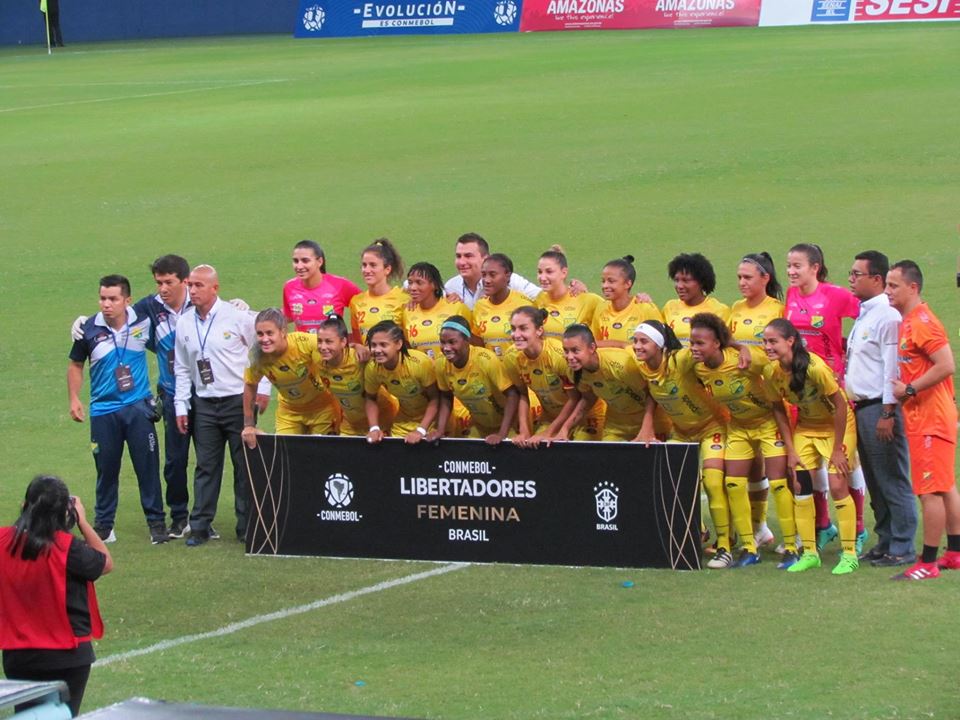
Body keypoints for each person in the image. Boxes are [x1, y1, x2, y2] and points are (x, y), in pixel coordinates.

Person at [632, 320, 746, 568]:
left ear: (660, 345)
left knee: (714, 483)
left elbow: (711, 347)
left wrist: (742, 348)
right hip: (681, 433)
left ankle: (724, 546)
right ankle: (699, 531)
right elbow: (651, 391)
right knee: (671, 481)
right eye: (635, 341)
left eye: (644, 341)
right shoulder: (642, 367)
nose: (637, 347)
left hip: (711, 428)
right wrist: (646, 426)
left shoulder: (680, 360)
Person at [67, 274, 167, 545]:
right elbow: (76, 364)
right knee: (106, 470)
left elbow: (180, 299)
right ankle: (104, 526)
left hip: (138, 409)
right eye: (102, 298)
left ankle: (157, 524)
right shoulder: (87, 328)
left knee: (147, 468)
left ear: (127, 300)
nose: (106, 304)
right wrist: (74, 398)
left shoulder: (143, 319)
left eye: (112, 299)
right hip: (103, 411)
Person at [1, 476, 112, 717]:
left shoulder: (3, 542)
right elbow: (105, 563)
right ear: (65, 512)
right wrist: (83, 522)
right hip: (68, 654)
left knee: (30, 716)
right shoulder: (67, 546)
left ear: (24, 505)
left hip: (19, 655)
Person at [174, 265, 268, 547]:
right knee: (206, 466)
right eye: (191, 285)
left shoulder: (236, 317)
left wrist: (262, 389)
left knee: (244, 465)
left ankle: (246, 525)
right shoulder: (185, 322)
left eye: (199, 286)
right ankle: (200, 526)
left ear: (215, 288)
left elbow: (261, 352)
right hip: (204, 402)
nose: (193, 291)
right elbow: (181, 366)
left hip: (238, 400)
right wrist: (181, 405)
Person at [688, 313, 790, 568]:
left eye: (700, 343)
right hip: (739, 427)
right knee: (733, 483)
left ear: (717, 343)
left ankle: (792, 544)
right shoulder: (698, 367)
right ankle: (748, 547)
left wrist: (741, 346)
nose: (694, 348)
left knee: (779, 483)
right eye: (692, 342)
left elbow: (779, 371)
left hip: (767, 424)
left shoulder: (746, 360)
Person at [784, 243, 868, 553]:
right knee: (810, 463)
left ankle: (858, 528)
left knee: (845, 460)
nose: (792, 271)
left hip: (833, 387)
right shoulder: (792, 297)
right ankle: (824, 525)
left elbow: (867, 313)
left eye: (797, 266)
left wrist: (851, 349)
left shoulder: (835, 295)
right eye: (789, 266)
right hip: (802, 391)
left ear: (815, 268)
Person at [763, 319, 860, 575]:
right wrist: (791, 449)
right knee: (799, 487)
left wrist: (839, 448)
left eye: (773, 341)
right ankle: (809, 553)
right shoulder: (772, 372)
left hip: (837, 427)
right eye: (765, 341)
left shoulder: (815, 368)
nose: (767, 347)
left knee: (838, 484)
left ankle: (849, 553)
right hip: (806, 428)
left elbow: (840, 406)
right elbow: (777, 409)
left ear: (790, 341)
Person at [885, 260, 960, 580]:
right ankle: (954, 552)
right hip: (929, 416)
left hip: (929, 419)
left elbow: (946, 364)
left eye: (893, 286)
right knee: (945, 487)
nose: (888, 291)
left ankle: (927, 562)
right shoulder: (909, 320)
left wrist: (910, 389)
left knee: (929, 491)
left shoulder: (923, 322)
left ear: (912, 288)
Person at [845, 251, 917, 567]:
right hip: (863, 407)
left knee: (891, 478)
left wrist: (888, 412)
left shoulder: (887, 316)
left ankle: (902, 546)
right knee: (875, 481)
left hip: (879, 408)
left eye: (856, 274)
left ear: (876, 279)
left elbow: (892, 369)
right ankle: (886, 540)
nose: (851, 279)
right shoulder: (867, 313)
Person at [728, 252, 785, 551]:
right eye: (739, 277)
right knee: (751, 466)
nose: (742, 282)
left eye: (748, 277)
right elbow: (724, 341)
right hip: (740, 401)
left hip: (771, 397)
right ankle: (760, 528)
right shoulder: (735, 309)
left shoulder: (778, 309)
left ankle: (797, 533)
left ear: (765, 278)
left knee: (779, 467)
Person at [241, 309, 339, 449]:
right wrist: (249, 425)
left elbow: (336, 350)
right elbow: (250, 385)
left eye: (270, 333)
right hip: (289, 411)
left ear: (283, 331)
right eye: (260, 334)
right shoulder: (256, 356)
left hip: (322, 409)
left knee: (322, 454)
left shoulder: (306, 343)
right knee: (285, 456)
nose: (264, 339)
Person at [505, 306, 602, 445]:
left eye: (523, 328)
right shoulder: (511, 357)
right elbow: (522, 394)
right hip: (551, 419)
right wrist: (524, 431)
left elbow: (575, 398)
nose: (516, 334)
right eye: (513, 329)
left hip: (584, 417)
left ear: (539, 330)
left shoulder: (558, 356)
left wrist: (549, 433)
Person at [431, 317, 519, 445]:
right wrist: (440, 429)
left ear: (467, 340)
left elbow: (512, 395)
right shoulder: (440, 363)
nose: (446, 348)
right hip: (479, 425)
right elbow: (446, 397)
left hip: (509, 425)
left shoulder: (486, 360)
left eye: (452, 342)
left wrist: (502, 434)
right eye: (442, 342)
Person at [561, 324, 656, 443]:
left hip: (649, 420)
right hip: (616, 424)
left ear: (591, 348)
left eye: (575, 350)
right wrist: (565, 428)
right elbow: (588, 398)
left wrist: (647, 427)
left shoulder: (622, 364)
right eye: (566, 351)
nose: (570, 357)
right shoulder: (573, 372)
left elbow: (651, 392)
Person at [314, 315, 397, 436]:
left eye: (328, 342)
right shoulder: (316, 356)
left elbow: (385, 351)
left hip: (382, 421)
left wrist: (359, 347)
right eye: (319, 341)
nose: (323, 347)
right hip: (351, 425)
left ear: (343, 342)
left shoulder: (360, 357)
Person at [363, 320, 440, 444]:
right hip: (404, 421)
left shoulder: (420, 363)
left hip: (434, 421)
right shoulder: (372, 368)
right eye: (373, 345)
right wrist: (374, 428)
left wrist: (421, 430)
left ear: (398, 344)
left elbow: (436, 398)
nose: (377, 350)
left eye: (383, 345)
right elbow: (370, 398)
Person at [443, 232, 542, 310]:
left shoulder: (509, 281)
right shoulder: (451, 287)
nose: (462, 262)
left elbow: (542, 298)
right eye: (458, 256)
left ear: (485, 258)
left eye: (468, 256)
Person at [283, 239, 361, 335]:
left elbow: (364, 305)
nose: (299, 266)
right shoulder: (290, 287)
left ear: (319, 261)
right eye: (295, 261)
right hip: (302, 349)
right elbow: (289, 315)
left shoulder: (340, 285)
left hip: (331, 349)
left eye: (305, 261)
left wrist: (356, 337)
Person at [472, 253, 539, 357]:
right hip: (492, 370)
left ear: (507, 275)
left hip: (519, 369)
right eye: (484, 274)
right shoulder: (480, 306)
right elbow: (479, 344)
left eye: (492, 275)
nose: (486, 280)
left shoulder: (524, 305)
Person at [402, 262, 471, 359]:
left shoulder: (456, 307)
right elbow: (409, 347)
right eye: (410, 283)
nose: (413, 288)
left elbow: (473, 342)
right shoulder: (408, 311)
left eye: (419, 282)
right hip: (423, 373)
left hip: (452, 372)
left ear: (434, 285)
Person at [592, 256, 662, 348]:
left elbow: (661, 344)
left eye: (611, 281)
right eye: (603, 281)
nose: (605, 285)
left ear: (627, 284)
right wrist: (622, 345)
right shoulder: (601, 308)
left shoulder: (645, 308)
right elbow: (592, 344)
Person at [535, 246, 603, 340]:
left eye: (549, 272)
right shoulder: (539, 298)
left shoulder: (587, 300)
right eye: (539, 272)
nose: (542, 277)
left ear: (564, 273)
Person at [350, 238, 410, 344]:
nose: (367, 270)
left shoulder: (404, 299)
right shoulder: (356, 302)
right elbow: (358, 341)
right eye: (364, 265)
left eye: (373, 265)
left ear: (387, 269)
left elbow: (409, 341)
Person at [662, 253, 729, 346]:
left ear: (701, 282)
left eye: (686, 280)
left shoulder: (718, 310)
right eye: (677, 280)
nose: (679, 286)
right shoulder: (670, 307)